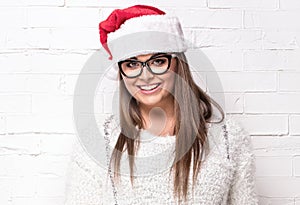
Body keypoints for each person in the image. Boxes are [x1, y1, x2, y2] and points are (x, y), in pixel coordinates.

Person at [64, 5, 259, 205]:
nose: (146, 76)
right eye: (132, 64)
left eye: (157, 61)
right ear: (121, 72)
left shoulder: (229, 140)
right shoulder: (99, 143)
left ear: (177, 63)